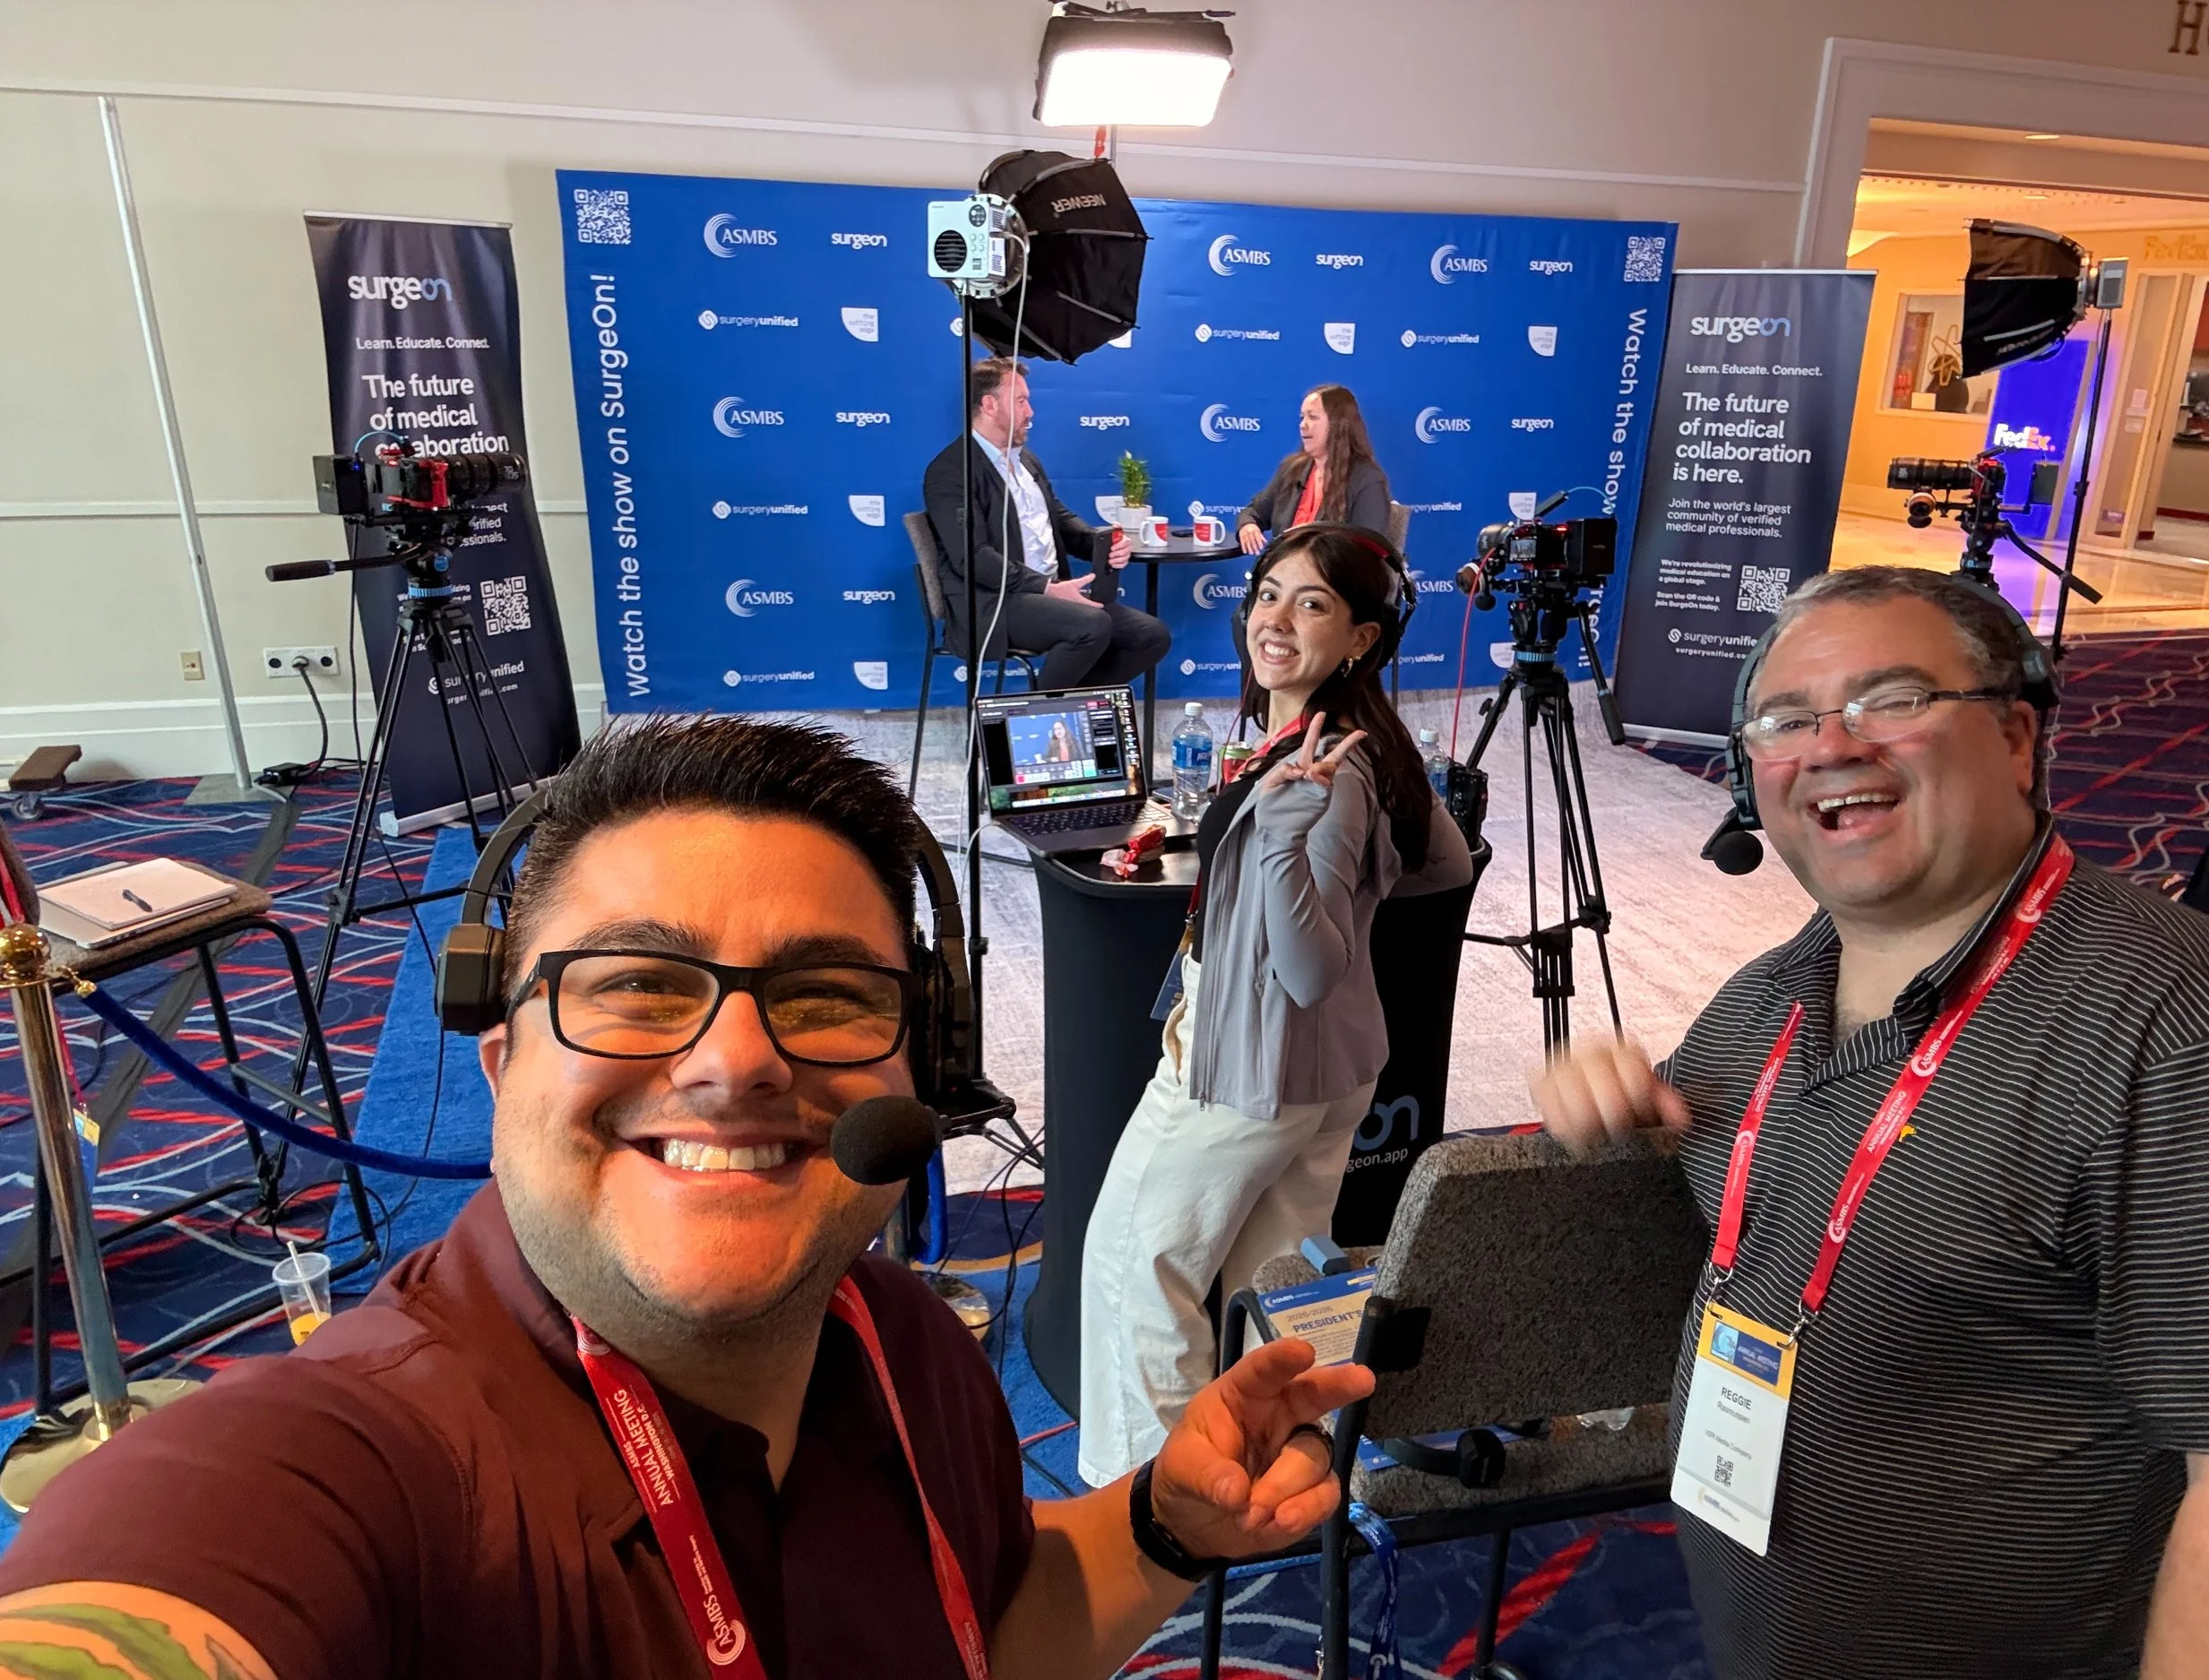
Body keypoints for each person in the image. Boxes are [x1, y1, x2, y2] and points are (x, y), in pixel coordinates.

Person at [0, 717, 1375, 1680]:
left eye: (824, 992)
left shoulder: (904, 1342)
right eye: (638, 984)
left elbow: (984, 1625)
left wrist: (1159, 1521)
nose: (735, 1060)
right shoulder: (347, 1467)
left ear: (922, 1066)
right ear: (502, 1063)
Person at [1529, 566, 2209, 1680]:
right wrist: (1613, 1107)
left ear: (2016, 737)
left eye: (1891, 699)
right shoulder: (1771, 992)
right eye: (1784, 720)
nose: (1830, 745)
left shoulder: (2179, 1030)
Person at [1075, 524, 1471, 1486]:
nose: (1276, 620)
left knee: (1136, 1272)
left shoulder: (1334, 769)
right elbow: (1448, 859)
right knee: (1270, 1292)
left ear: (1363, 638)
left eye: (1312, 603)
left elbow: (1308, 969)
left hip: (1250, 1065)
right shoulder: (1346, 739)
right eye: (1267, 595)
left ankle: (1152, 1503)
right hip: (1323, 1070)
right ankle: (1265, 1472)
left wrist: (1290, 845)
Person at [923, 357, 1171, 690]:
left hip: (1051, 593)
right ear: (989, 405)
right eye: (1021, 401)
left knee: (1151, 636)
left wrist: (1103, 544)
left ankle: (1066, 702)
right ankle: (1040, 712)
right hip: (993, 604)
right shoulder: (952, 471)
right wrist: (1045, 587)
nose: (1031, 412)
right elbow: (973, 558)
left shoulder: (1026, 460)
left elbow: (1060, 521)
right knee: (1091, 625)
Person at [1238, 385, 1394, 557]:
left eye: (1312, 417)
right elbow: (1254, 512)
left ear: (1338, 424)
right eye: (1302, 417)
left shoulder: (1368, 479)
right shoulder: (1291, 469)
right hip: (1284, 567)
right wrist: (1248, 525)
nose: (1303, 425)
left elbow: (1368, 552)